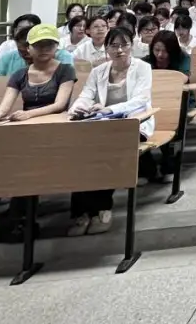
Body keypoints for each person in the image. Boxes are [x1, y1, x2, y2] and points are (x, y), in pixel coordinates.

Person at [67, 27, 153, 236]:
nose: (119, 50)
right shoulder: (99, 71)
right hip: (102, 124)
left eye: (124, 45)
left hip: (133, 123)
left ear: (132, 46)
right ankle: (81, 212)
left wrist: (110, 110)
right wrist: (78, 108)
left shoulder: (142, 68)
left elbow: (140, 100)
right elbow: (86, 95)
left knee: (104, 152)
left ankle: (102, 208)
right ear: (106, 48)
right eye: (114, 46)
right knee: (78, 154)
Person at [0, 24, 76, 122]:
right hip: (28, 124)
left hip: (57, 123)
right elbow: (4, 108)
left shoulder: (66, 70)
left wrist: (28, 114)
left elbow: (60, 105)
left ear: (56, 46)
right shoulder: (19, 74)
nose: (44, 49)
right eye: (38, 45)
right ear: (28, 48)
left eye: (49, 45)